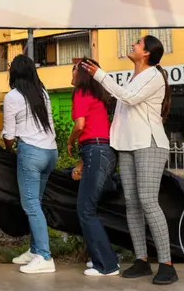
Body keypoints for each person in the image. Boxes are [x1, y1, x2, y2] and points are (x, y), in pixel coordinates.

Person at [80, 35, 177, 285]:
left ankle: (166, 263)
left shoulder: (154, 76)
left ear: (146, 53)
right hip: (127, 145)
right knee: (132, 203)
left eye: (137, 43)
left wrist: (100, 75)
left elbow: (129, 98)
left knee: (147, 200)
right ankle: (142, 260)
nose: (132, 44)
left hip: (149, 144)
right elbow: (123, 103)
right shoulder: (132, 77)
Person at [2, 54, 58, 275]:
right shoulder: (42, 93)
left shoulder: (13, 96)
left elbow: (8, 134)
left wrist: (9, 150)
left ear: (13, 74)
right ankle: (35, 250)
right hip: (50, 151)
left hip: (31, 153)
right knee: (37, 202)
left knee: (31, 205)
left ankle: (44, 256)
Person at [67, 59, 120, 277]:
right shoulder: (96, 95)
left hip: (97, 152)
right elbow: (93, 134)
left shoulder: (81, 92)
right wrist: (81, 162)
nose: (70, 73)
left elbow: (80, 126)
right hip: (100, 151)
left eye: (72, 69)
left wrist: (69, 141)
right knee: (90, 208)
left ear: (80, 73)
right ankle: (103, 258)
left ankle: (107, 265)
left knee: (85, 209)